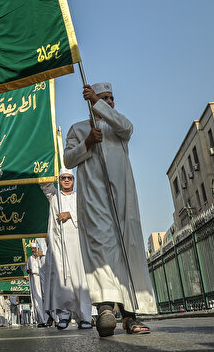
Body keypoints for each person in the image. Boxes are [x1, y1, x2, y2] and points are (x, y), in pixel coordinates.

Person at [63, 83, 153, 337]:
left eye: (112, 98)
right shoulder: (78, 129)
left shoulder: (118, 126)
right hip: (94, 200)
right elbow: (68, 160)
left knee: (127, 250)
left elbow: (128, 128)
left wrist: (98, 103)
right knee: (102, 249)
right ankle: (104, 310)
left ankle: (130, 316)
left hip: (123, 199)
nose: (110, 101)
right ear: (90, 100)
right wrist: (88, 142)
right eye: (105, 98)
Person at [40, 169, 94, 330]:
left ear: (74, 180)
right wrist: (50, 165)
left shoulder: (80, 198)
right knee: (61, 281)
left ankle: (84, 317)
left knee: (80, 282)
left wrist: (70, 214)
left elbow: (87, 212)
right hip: (59, 246)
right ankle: (63, 316)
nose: (66, 180)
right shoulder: (54, 196)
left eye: (69, 178)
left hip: (77, 245)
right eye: (63, 178)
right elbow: (43, 182)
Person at [26, 239, 48, 326]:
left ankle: (50, 319)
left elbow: (42, 269)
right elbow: (26, 268)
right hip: (34, 281)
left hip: (42, 279)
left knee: (45, 298)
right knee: (37, 300)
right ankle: (42, 320)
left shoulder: (41, 258)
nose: (33, 251)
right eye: (32, 249)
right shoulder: (30, 258)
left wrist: (34, 271)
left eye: (34, 249)